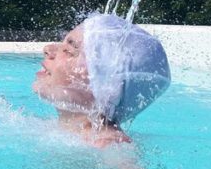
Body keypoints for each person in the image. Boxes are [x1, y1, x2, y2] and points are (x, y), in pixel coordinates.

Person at [33, 13, 170, 146]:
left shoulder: (108, 144)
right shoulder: (51, 128)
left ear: (105, 87)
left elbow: (130, 168)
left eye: (69, 50)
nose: (48, 49)